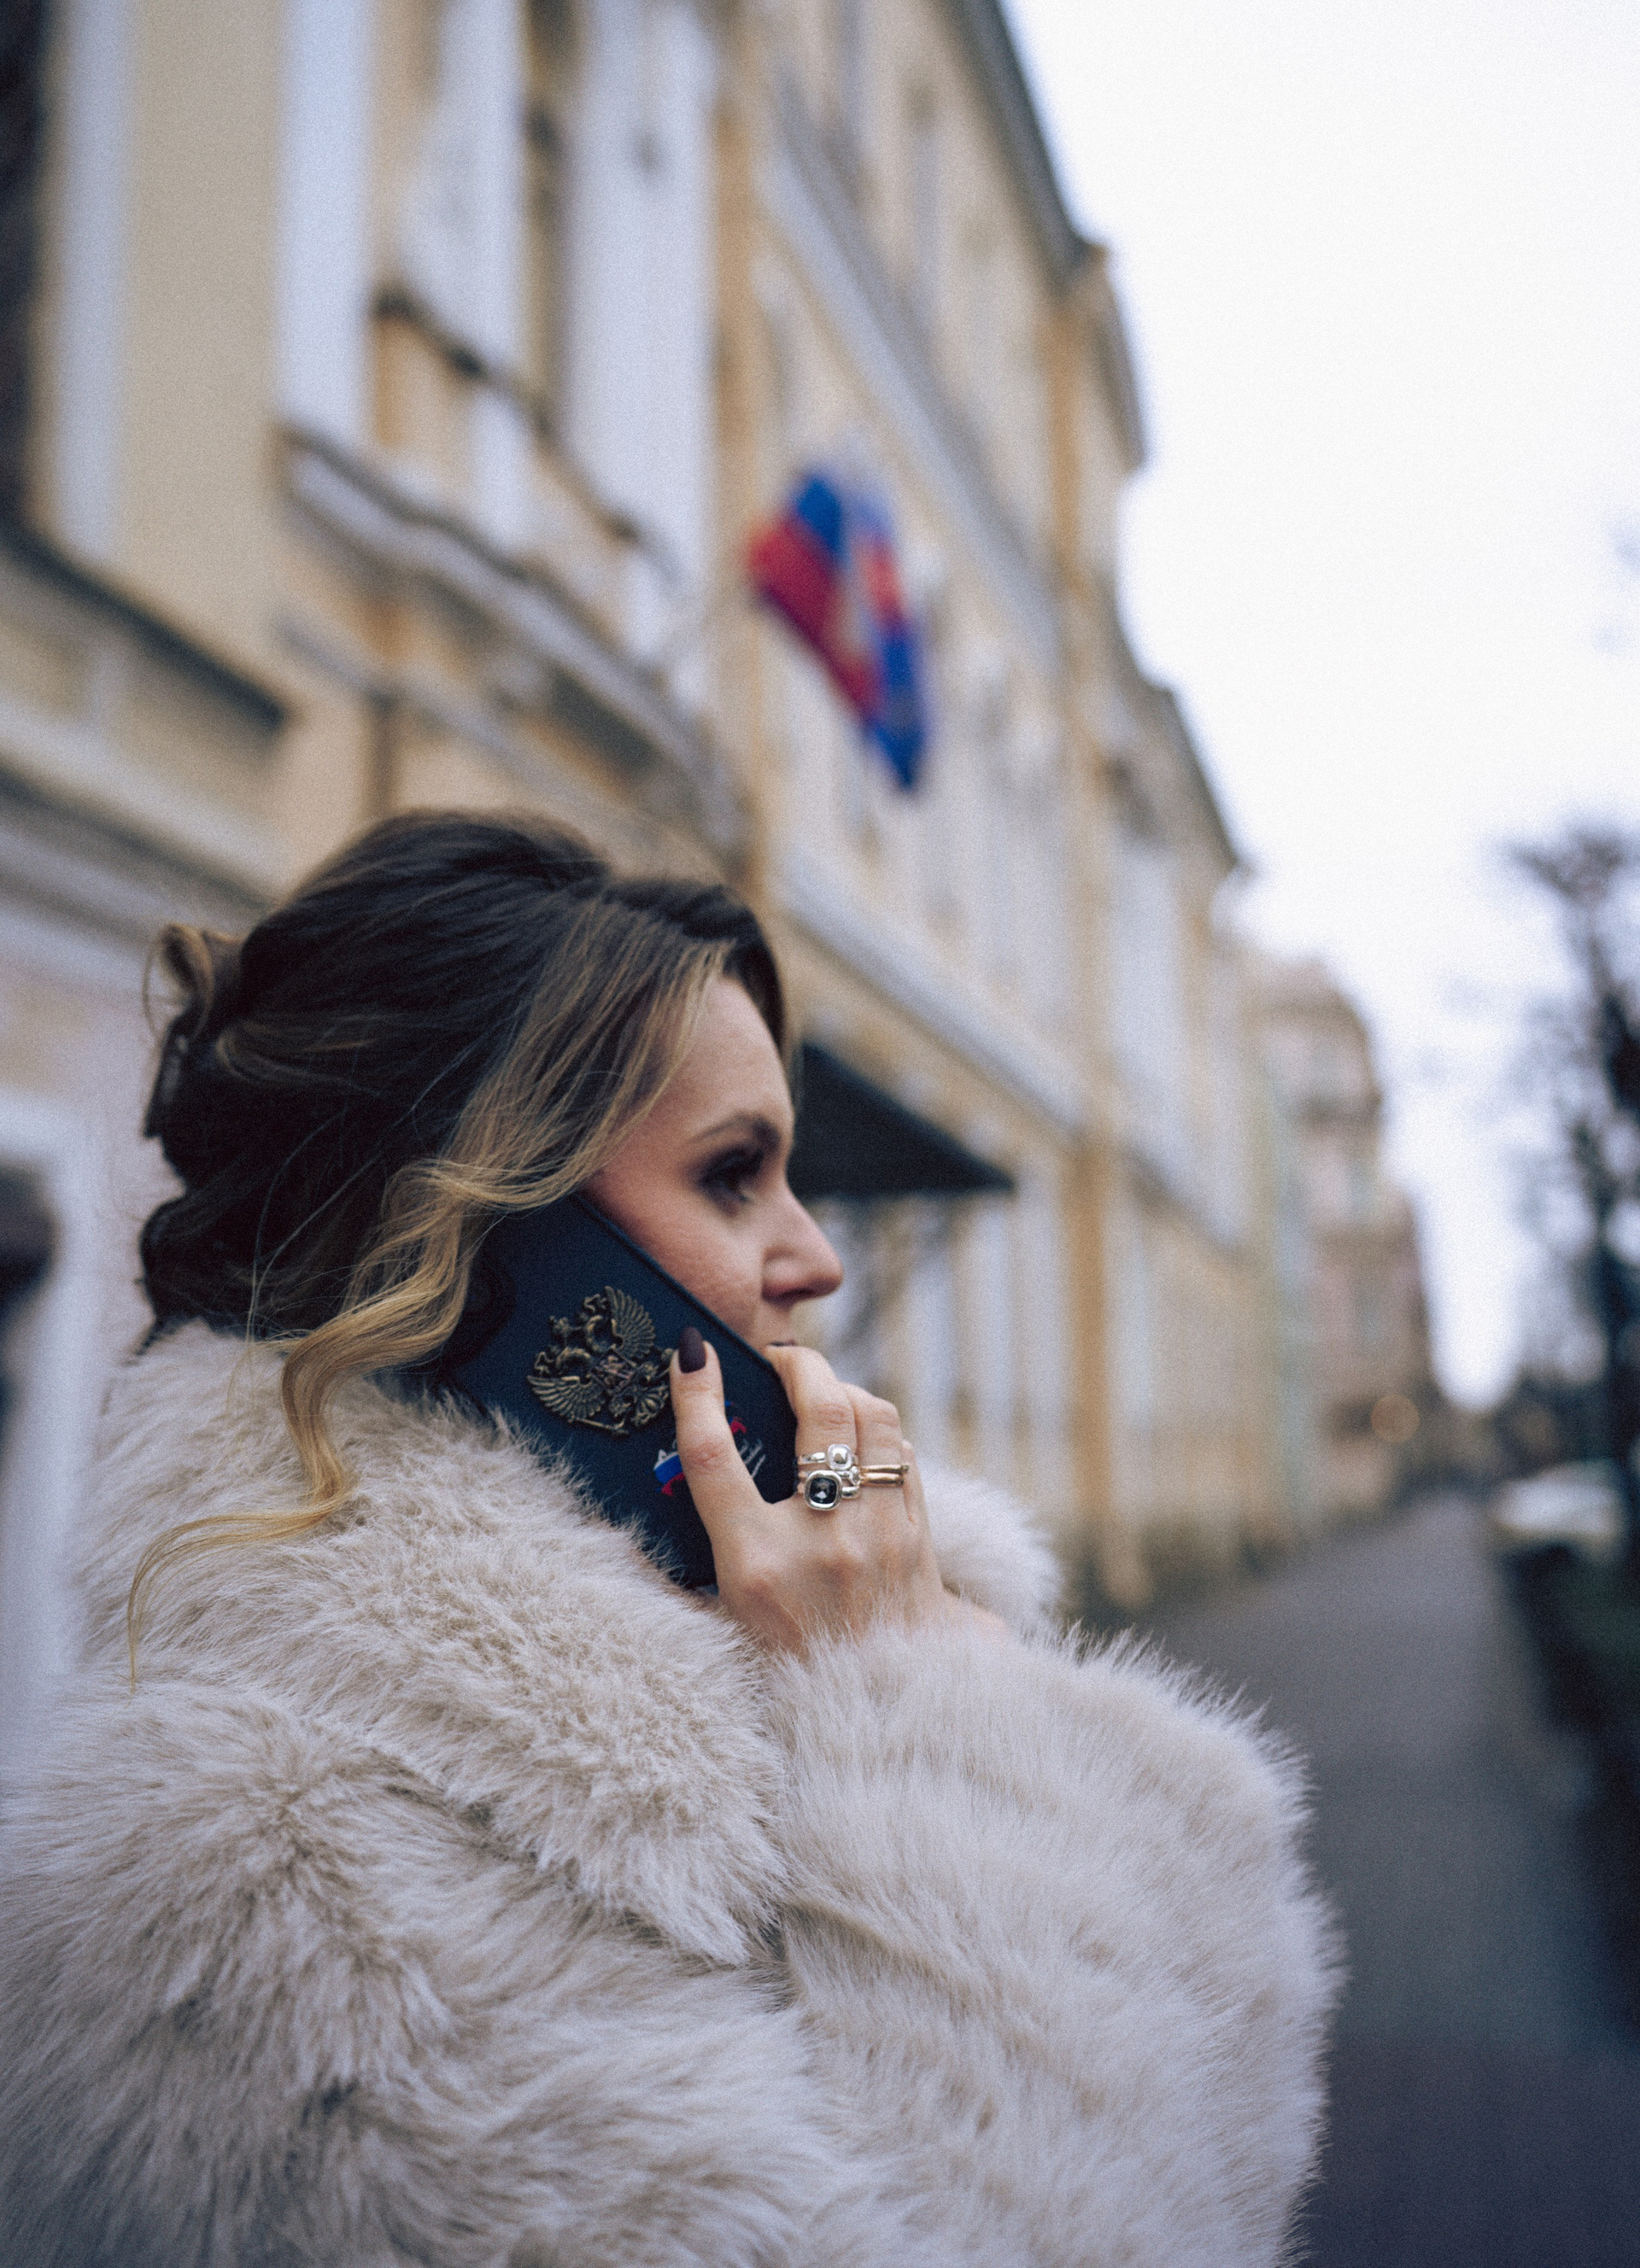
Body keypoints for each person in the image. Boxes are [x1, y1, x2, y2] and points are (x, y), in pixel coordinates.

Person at [0, 811, 1336, 2267]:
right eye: (731, 1173)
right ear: (489, 1250)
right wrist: (918, 1713)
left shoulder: (788, 1633)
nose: (815, 1255)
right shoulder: (253, 1880)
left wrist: (904, 1684)